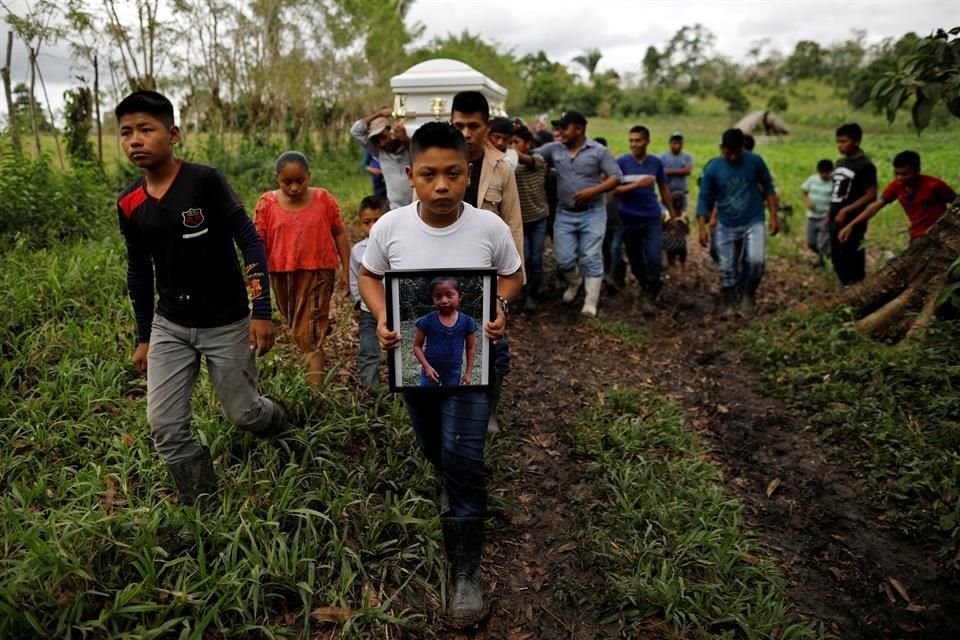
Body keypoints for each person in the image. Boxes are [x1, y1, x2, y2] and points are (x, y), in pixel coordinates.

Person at [358, 122, 522, 628]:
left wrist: (500, 308)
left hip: (473, 365)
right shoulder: (389, 228)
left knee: (465, 454)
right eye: (429, 175)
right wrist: (385, 317)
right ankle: (452, 478)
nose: (442, 186)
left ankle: (465, 573)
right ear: (410, 176)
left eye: (453, 173)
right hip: (417, 366)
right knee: (435, 445)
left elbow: (513, 276)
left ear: (468, 172)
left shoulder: (488, 228)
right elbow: (368, 274)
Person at [115, 90, 287, 504]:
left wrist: (260, 310)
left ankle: (278, 419)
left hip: (227, 321)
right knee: (165, 424)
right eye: (125, 132)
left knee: (243, 414)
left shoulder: (204, 181)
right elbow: (139, 271)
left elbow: (250, 241)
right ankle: (202, 503)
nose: (135, 140)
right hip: (170, 324)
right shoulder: (129, 201)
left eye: (145, 129)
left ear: (172, 134)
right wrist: (144, 336)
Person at [450, 91, 523, 434]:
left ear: (487, 126)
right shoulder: (440, 162)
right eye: (458, 125)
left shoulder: (501, 168)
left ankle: (489, 411)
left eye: (473, 126)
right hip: (445, 269)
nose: (466, 133)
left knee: (495, 342)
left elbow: (513, 224)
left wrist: (515, 278)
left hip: (489, 273)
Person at [254, 151, 350, 392]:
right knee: (296, 327)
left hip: (317, 273)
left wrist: (348, 269)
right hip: (281, 274)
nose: (295, 187)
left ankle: (314, 396)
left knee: (309, 335)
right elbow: (257, 242)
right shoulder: (267, 203)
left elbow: (339, 232)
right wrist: (256, 278)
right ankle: (311, 370)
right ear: (277, 178)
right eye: (288, 182)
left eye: (300, 181)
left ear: (309, 176)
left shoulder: (324, 199)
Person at [537, 110, 622, 317]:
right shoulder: (554, 149)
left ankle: (590, 302)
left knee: (591, 256)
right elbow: (533, 155)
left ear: (579, 129)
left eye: (564, 128)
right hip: (565, 214)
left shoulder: (598, 151)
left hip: (593, 212)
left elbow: (616, 177)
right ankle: (575, 283)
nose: (560, 132)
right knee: (564, 259)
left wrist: (593, 191)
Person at [697, 128, 779, 316]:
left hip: (754, 220)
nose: (733, 157)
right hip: (726, 223)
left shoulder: (755, 161)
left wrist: (774, 216)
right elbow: (703, 198)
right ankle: (729, 301)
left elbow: (768, 188)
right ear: (721, 148)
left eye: (737, 152)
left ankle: (749, 293)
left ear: (743, 148)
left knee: (756, 261)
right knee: (726, 265)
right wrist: (702, 227)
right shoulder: (713, 167)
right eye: (728, 152)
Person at [614, 125, 675, 316]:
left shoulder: (655, 163)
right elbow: (614, 191)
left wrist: (672, 214)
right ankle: (646, 285)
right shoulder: (621, 163)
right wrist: (637, 185)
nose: (634, 144)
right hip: (628, 218)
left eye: (638, 140)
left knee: (655, 257)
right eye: (631, 140)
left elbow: (664, 189)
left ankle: (649, 294)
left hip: (651, 218)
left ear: (647, 141)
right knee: (635, 259)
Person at [838, 150, 956, 247]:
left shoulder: (934, 186)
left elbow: (957, 204)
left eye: (905, 174)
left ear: (917, 170)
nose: (899, 178)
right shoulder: (896, 186)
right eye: (897, 173)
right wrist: (851, 225)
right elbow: (874, 208)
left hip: (941, 237)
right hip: (916, 237)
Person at [829, 123, 877, 285]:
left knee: (852, 254)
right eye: (838, 142)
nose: (840, 146)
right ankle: (846, 286)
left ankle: (857, 286)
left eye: (844, 141)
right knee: (836, 255)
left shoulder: (865, 166)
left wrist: (847, 210)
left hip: (853, 220)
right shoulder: (840, 163)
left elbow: (871, 194)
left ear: (857, 141)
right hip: (835, 218)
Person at [349, 195, 388, 389]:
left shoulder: (394, 247)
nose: (373, 227)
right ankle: (370, 389)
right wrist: (357, 303)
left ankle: (402, 387)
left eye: (378, 220)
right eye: (367, 222)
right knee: (368, 349)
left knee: (400, 346)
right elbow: (355, 280)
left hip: (394, 308)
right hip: (368, 310)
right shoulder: (357, 251)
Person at [510, 125, 550, 311]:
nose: (512, 146)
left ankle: (534, 293)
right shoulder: (507, 166)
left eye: (516, 142)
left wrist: (512, 154)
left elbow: (529, 160)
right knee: (522, 257)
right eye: (510, 142)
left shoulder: (537, 160)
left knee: (536, 257)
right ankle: (523, 294)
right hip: (519, 221)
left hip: (538, 218)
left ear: (528, 144)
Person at [413, 277, 479, 387]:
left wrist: (468, 373)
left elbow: (470, 348)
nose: (443, 300)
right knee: (426, 400)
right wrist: (426, 367)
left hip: (453, 372)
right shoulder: (427, 320)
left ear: (460, 297)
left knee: (450, 401)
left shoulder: (467, 322)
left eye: (449, 295)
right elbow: (416, 346)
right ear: (432, 298)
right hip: (429, 371)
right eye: (438, 296)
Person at [350, 107, 412, 210]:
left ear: (391, 131)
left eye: (383, 137)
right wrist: (379, 114)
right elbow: (355, 131)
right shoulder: (379, 151)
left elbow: (421, 154)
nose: (382, 143)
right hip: (396, 210)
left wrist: (404, 139)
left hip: (418, 208)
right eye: (376, 140)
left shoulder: (408, 146)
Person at [801, 159, 835, 268]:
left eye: (827, 173)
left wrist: (829, 216)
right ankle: (825, 254)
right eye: (822, 173)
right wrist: (807, 201)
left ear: (831, 171)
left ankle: (822, 260)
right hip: (811, 216)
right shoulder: (812, 179)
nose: (824, 175)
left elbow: (835, 201)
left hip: (824, 217)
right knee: (811, 242)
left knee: (822, 242)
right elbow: (804, 191)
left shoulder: (834, 183)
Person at [660, 131, 693, 214]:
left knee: (681, 218)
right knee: (666, 216)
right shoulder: (663, 157)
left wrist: (670, 171)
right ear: (670, 144)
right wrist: (681, 171)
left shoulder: (687, 156)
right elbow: (661, 172)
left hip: (682, 193)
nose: (677, 146)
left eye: (679, 143)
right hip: (667, 194)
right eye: (674, 143)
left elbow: (688, 170)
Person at [663, 191, 690, 279]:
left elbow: (661, 228)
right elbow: (687, 231)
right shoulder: (685, 216)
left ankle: (673, 283)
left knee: (672, 263)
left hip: (670, 244)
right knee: (683, 262)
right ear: (683, 204)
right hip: (681, 244)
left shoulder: (665, 215)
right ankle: (684, 279)